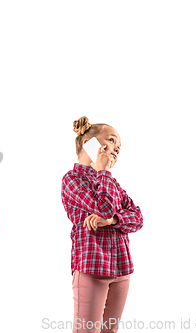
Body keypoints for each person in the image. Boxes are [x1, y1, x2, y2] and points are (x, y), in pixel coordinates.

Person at [61, 116, 144, 333]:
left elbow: (137, 217)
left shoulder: (113, 184)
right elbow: (104, 207)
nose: (116, 149)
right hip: (92, 269)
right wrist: (103, 172)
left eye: (119, 146)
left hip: (121, 269)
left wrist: (114, 220)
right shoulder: (72, 179)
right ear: (89, 144)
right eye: (111, 140)